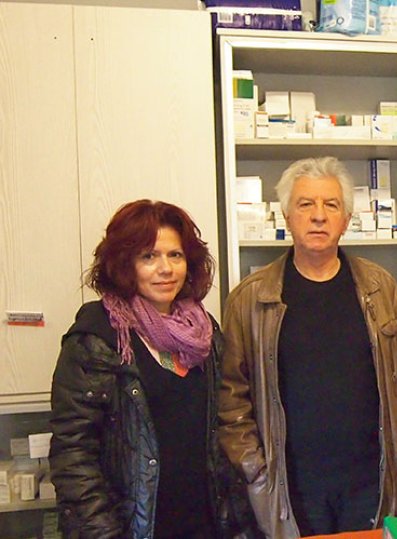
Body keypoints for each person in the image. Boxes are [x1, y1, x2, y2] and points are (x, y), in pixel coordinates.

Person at [218, 156, 397, 538]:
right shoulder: (251, 299)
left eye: (331, 205)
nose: (318, 216)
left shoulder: (379, 288)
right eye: (305, 204)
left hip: (371, 481)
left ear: (346, 219)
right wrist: (256, 467)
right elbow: (232, 398)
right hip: (290, 486)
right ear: (286, 216)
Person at [49, 200, 258, 539]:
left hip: (207, 523)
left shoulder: (204, 331)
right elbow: (73, 456)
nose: (166, 269)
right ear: (124, 263)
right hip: (136, 528)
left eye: (175, 255)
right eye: (149, 256)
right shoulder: (97, 337)